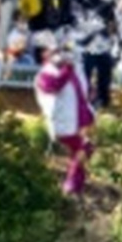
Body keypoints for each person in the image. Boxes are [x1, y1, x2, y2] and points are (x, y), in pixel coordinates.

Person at [33, 39, 96, 195]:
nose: (59, 54)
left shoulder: (73, 69)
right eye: (53, 51)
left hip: (79, 119)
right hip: (63, 122)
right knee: (82, 148)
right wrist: (67, 69)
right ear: (44, 54)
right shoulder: (45, 74)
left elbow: (83, 93)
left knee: (84, 149)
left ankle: (76, 184)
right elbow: (53, 86)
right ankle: (71, 183)